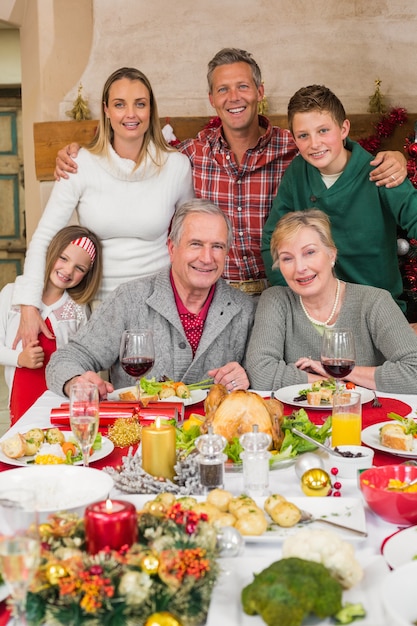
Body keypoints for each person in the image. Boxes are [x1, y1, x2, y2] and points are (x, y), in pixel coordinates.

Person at [54, 50, 406, 297]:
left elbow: (337, 154)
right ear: (211, 98)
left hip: (280, 291)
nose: (233, 97)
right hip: (214, 295)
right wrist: (80, 152)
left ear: (259, 92)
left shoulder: (294, 149)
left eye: (242, 86)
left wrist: (394, 160)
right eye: (222, 89)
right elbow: (134, 160)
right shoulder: (189, 156)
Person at [14, 66, 194, 348]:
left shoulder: (176, 166)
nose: (130, 114)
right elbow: (45, 236)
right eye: (120, 104)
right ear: (106, 110)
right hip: (97, 306)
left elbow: (188, 239)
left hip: (160, 303)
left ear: (151, 110)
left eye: (140, 104)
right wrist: (28, 304)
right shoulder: (80, 165)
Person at [46, 199, 255, 399]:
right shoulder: (129, 299)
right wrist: (76, 382)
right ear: (172, 249)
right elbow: (66, 359)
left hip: (214, 434)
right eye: (196, 244)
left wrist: (245, 378)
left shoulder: (245, 309)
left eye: (217, 246)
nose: (207, 258)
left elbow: (260, 380)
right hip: (139, 431)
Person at [262, 84, 417, 313]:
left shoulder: (380, 171)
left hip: (377, 308)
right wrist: (294, 294)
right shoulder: (297, 173)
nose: (314, 144)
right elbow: (271, 241)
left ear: (344, 128)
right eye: (303, 135)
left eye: (323, 131)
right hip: (316, 309)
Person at [246, 210, 417, 393]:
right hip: (296, 421)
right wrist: (328, 383)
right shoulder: (276, 301)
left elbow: (413, 372)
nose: (300, 268)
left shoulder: (374, 302)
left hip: (367, 420)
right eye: (287, 258)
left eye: (310, 252)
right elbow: (261, 373)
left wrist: (341, 373)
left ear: (331, 255)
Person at [0, 225, 102, 423]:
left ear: (87, 274)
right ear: (51, 252)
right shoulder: (11, 294)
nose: (68, 270)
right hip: (21, 400)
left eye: (79, 268)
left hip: (60, 401)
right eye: (63, 258)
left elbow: (85, 358)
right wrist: (20, 358)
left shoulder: (78, 310)